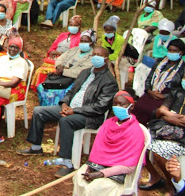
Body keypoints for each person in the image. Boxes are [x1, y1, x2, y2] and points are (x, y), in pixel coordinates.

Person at [18, 46, 119, 178]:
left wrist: (74, 110)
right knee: (39, 111)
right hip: (70, 108)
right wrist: (64, 104)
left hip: (89, 115)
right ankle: (36, 147)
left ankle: (67, 162)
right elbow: (71, 91)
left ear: (105, 60)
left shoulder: (109, 81)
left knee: (66, 121)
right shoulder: (85, 72)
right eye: (93, 54)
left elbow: (100, 107)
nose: (95, 57)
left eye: (99, 55)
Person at [72, 91, 147, 196]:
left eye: (122, 104)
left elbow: (129, 167)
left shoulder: (135, 131)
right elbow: (97, 152)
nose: (117, 107)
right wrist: (90, 168)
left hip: (119, 174)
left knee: (95, 188)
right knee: (79, 177)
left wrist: (102, 174)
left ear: (131, 106)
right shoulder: (107, 124)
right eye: (115, 104)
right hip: (98, 166)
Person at [140, 82, 185, 192]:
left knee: (158, 151)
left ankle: (172, 186)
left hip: (181, 138)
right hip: (165, 131)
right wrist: (171, 118)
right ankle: (155, 176)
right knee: (137, 141)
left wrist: (166, 114)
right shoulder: (177, 92)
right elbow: (158, 112)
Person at [130, 38, 185, 126]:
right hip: (152, 91)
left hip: (166, 96)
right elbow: (149, 78)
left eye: (175, 51)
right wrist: (149, 91)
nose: (171, 52)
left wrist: (164, 95)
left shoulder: (182, 68)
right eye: (170, 50)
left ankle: (148, 130)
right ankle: (134, 128)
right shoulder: (160, 62)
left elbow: (179, 89)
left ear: (181, 52)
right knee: (138, 106)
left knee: (152, 111)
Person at [37, 30, 95, 106]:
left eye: (86, 41)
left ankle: (58, 110)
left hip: (76, 80)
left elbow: (81, 72)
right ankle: (46, 109)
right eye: (82, 41)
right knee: (41, 87)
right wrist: (59, 66)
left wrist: (63, 71)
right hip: (61, 77)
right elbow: (61, 58)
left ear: (92, 43)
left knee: (63, 92)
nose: (83, 43)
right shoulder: (74, 50)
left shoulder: (93, 55)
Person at [32, 15, 84, 89]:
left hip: (65, 61)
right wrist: (52, 52)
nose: (72, 27)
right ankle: (41, 89)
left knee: (52, 71)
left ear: (79, 26)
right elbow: (54, 46)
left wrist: (60, 54)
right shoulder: (63, 35)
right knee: (40, 70)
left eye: (75, 25)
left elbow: (74, 54)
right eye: (71, 25)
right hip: (54, 58)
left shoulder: (80, 38)